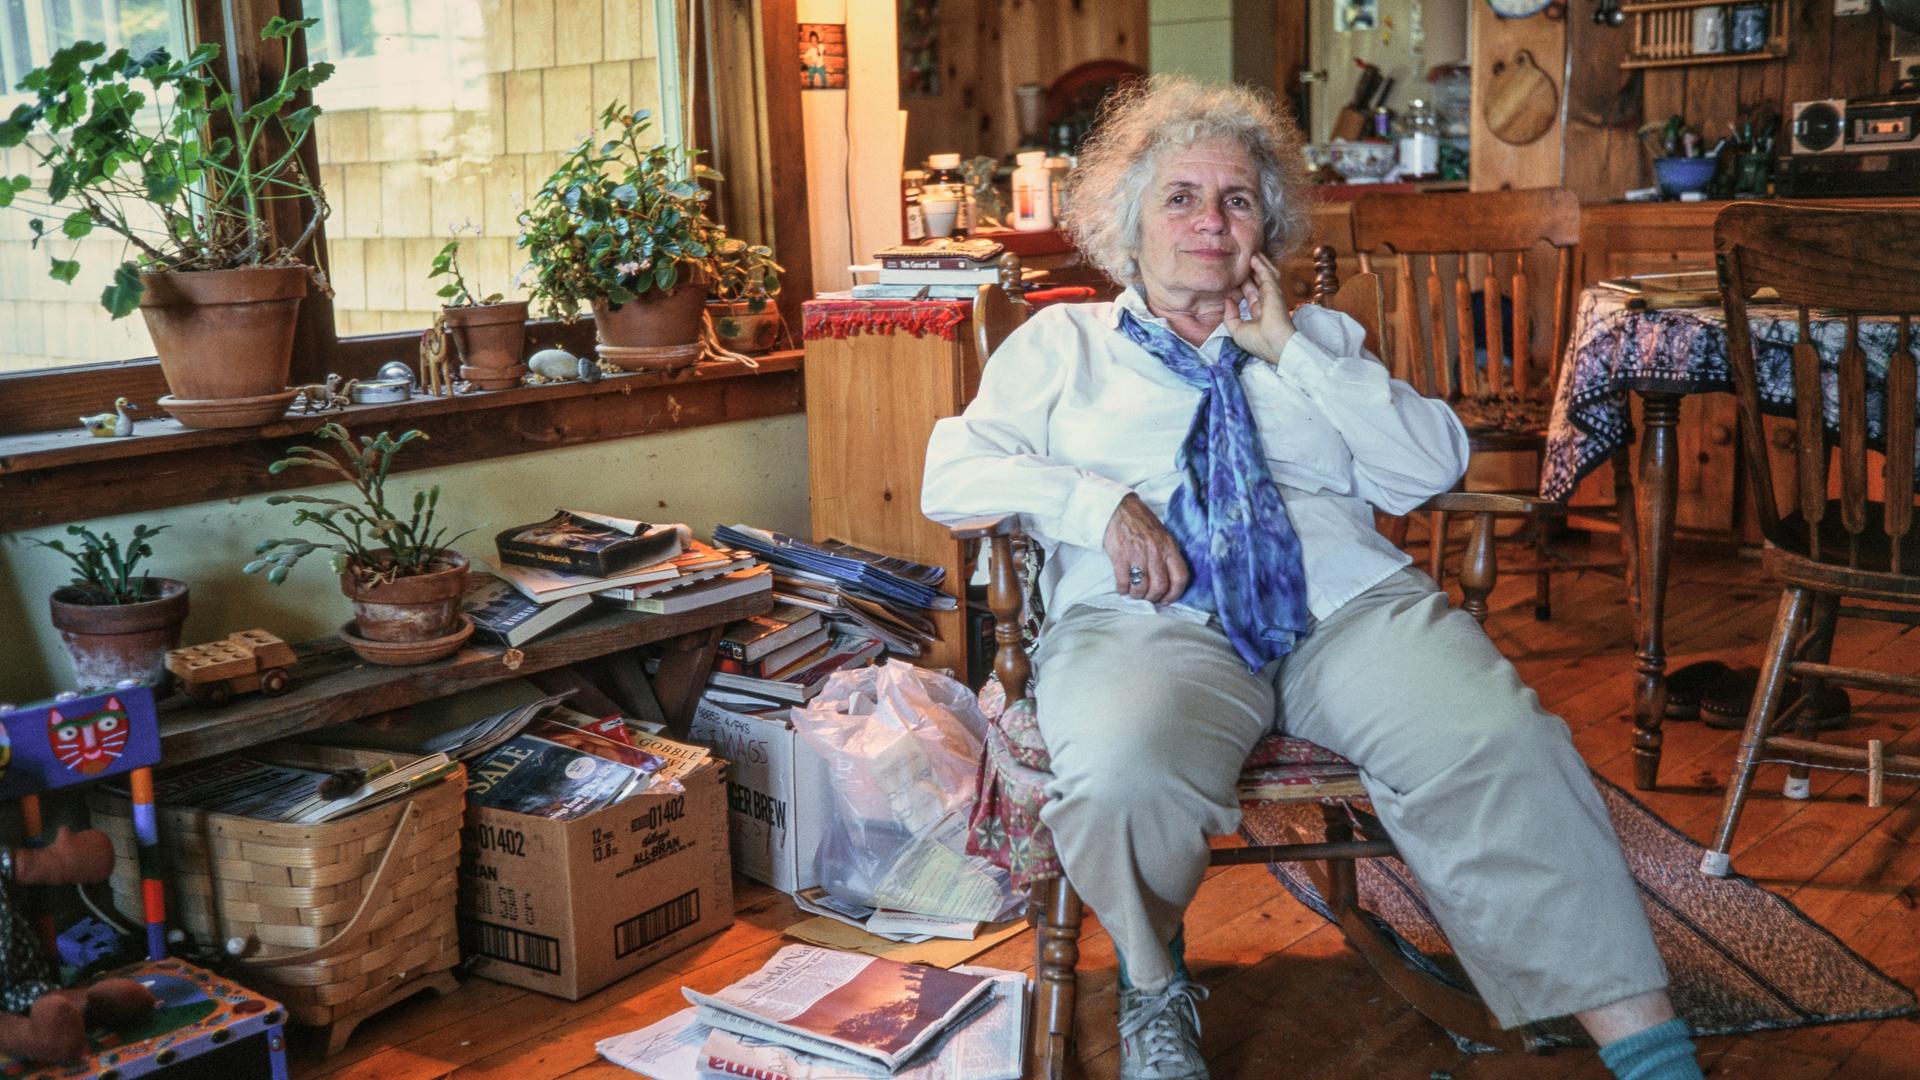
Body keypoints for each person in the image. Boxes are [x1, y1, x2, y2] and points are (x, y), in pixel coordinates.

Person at [921, 76, 1703, 1080]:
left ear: (1269, 227)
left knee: (1503, 741)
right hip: (1150, 619)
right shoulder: (1061, 347)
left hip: (1343, 609)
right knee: (1122, 777)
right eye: (1181, 198)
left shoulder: (1321, 340)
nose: (1211, 221)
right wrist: (1096, 505)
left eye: (1237, 200)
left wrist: (1289, 350)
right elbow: (952, 476)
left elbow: (1428, 469)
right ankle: (1155, 982)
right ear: (1128, 226)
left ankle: (1651, 1053)